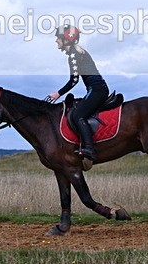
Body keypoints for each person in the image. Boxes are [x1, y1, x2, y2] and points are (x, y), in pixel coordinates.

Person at [45, 24, 109, 162]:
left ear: (66, 39)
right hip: (96, 89)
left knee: (78, 115)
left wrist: (58, 93)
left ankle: (90, 149)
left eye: (58, 38)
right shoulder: (76, 52)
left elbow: (74, 81)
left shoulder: (74, 55)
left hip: (97, 90)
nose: (56, 41)